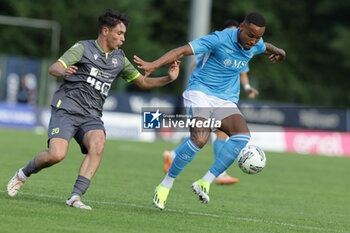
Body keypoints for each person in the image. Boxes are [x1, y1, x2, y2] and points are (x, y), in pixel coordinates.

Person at [6, 9, 180, 210]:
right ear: (105, 31)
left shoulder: (119, 59)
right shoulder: (83, 48)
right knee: (56, 155)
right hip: (67, 109)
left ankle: (75, 197)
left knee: (98, 143)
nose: (123, 38)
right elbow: (54, 67)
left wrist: (168, 78)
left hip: (91, 115)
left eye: (124, 34)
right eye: (119, 33)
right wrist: (63, 71)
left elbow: (142, 82)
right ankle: (23, 174)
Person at [134, 12, 286, 210]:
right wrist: (153, 65)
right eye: (250, 35)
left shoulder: (256, 43)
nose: (253, 41)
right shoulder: (218, 39)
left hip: (226, 99)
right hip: (200, 92)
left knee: (242, 137)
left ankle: (204, 182)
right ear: (241, 27)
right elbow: (180, 51)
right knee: (199, 139)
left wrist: (281, 52)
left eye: (258, 37)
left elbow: (268, 47)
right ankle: (165, 185)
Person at [162, 19, 259, 185]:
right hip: (206, 95)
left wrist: (248, 87)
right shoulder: (217, 45)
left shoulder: (243, 51)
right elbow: (196, 66)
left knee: (210, 135)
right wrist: (197, 91)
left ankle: (172, 155)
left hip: (226, 98)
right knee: (207, 135)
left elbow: (243, 73)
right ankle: (218, 174)